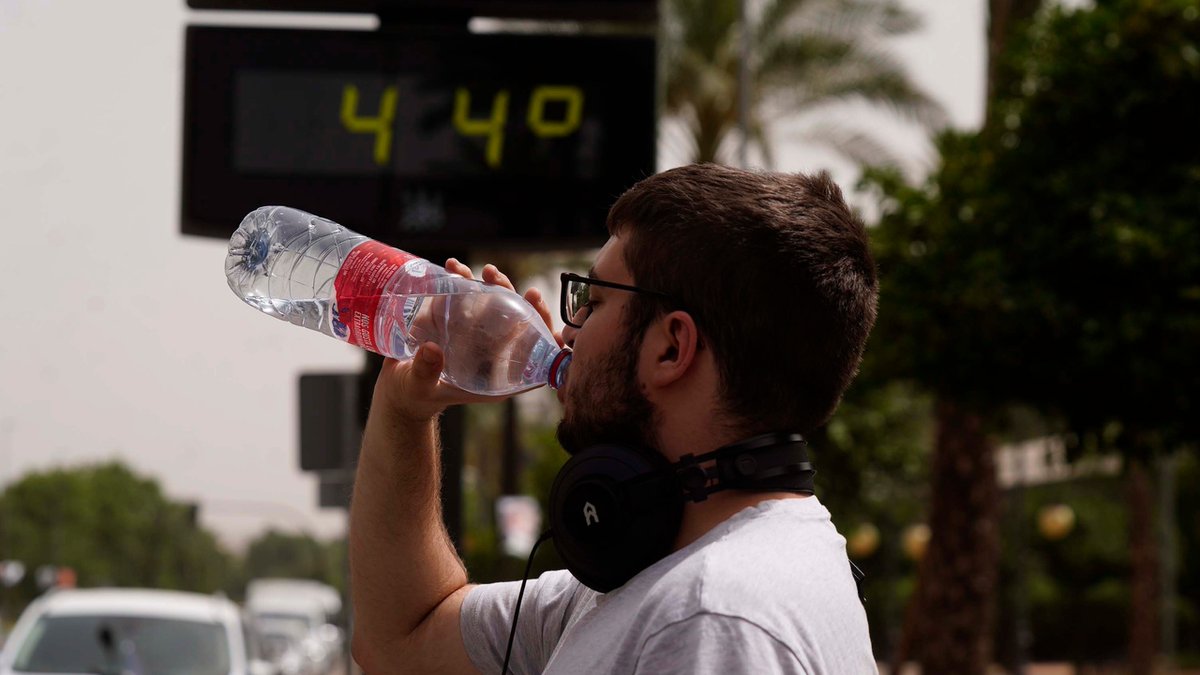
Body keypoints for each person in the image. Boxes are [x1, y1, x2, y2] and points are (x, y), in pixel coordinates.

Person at [348, 162, 879, 674]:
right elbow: (400, 642)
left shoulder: (708, 615)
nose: (569, 328)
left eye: (594, 300)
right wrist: (406, 410)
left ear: (671, 348)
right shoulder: (680, 572)